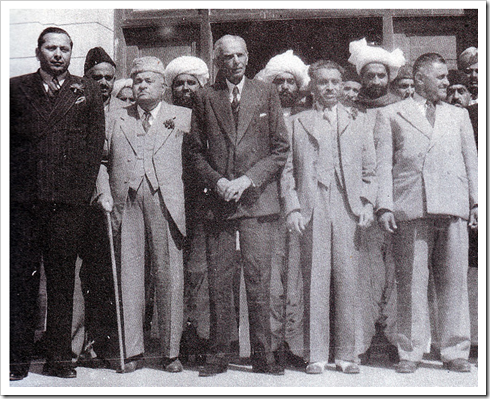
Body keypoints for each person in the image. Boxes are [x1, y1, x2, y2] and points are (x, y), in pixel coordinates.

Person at [185, 34, 289, 377]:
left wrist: (247, 180)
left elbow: (279, 149)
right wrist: (218, 181)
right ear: (218, 62)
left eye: (240, 55)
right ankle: (219, 353)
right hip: (219, 203)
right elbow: (196, 151)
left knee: (259, 279)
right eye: (227, 57)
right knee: (219, 280)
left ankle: (263, 355)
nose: (235, 62)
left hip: (257, 202)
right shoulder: (204, 97)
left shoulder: (266, 93)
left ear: (247, 57)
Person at [10, 27, 105, 380]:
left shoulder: (87, 89)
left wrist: (79, 197)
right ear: (39, 52)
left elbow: (95, 147)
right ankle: (16, 360)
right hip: (25, 202)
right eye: (51, 48)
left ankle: (59, 359)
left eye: (64, 48)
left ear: (71, 52)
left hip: (67, 204)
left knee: (63, 281)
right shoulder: (16, 88)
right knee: (21, 280)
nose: (58, 54)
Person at [375, 53, 477, 374]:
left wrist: (475, 203)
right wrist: (384, 204)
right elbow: (382, 165)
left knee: (454, 282)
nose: (447, 83)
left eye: (447, 77)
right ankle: (411, 351)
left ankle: (455, 349)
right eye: (441, 77)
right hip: (411, 205)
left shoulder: (458, 116)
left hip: (453, 205)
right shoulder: (391, 114)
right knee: (411, 283)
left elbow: (471, 162)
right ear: (419, 79)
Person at [96, 56, 191, 373]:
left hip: (166, 201)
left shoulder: (181, 117)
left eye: (149, 80)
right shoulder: (115, 117)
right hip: (127, 200)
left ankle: (170, 352)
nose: (141, 85)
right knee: (130, 276)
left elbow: (193, 160)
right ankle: (132, 351)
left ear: (164, 86)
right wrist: (104, 192)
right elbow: (101, 161)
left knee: (169, 278)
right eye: (136, 80)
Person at [281, 60, 376, 375]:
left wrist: (366, 203)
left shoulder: (357, 120)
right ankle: (316, 354)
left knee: (348, 278)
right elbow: (288, 171)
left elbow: (369, 170)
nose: (331, 88)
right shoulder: (297, 122)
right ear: (313, 87)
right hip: (313, 202)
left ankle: (348, 355)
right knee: (314, 278)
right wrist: (293, 207)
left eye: (335, 82)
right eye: (323, 83)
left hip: (347, 203)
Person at [348, 37, 406, 363]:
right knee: (365, 277)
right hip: (363, 206)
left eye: (381, 75)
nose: (375, 81)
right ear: (361, 78)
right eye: (369, 76)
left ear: (389, 77)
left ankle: (400, 343)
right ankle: (359, 344)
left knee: (398, 276)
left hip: (398, 203)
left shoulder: (402, 110)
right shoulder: (350, 112)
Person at [72, 47, 127, 366]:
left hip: (115, 203)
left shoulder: (126, 109)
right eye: (97, 77)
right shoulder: (76, 106)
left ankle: (107, 343)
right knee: (81, 274)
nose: (104, 83)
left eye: (109, 77)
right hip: (82, 198)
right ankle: (75, 345)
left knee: (110, 274)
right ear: (86, 77)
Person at [255, 49, 309, 369]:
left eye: (291, 81)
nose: (285, 87)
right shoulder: (259, 121)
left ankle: (296, 343)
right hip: (267, 207)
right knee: (272, 279)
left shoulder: (305, 119)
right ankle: (271, 343)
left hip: (299, 208)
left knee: (297, 280)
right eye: (279, 81)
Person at [164, 55, 215, 364]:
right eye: (179, 83)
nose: (184, 88)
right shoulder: (164, 115)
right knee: (174, 271)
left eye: (190, 83)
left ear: (201, 85)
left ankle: (201, 335)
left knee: (199, 271)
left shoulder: (210, 114)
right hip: (170, 200)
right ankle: (177, 336)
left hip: (201, 203)